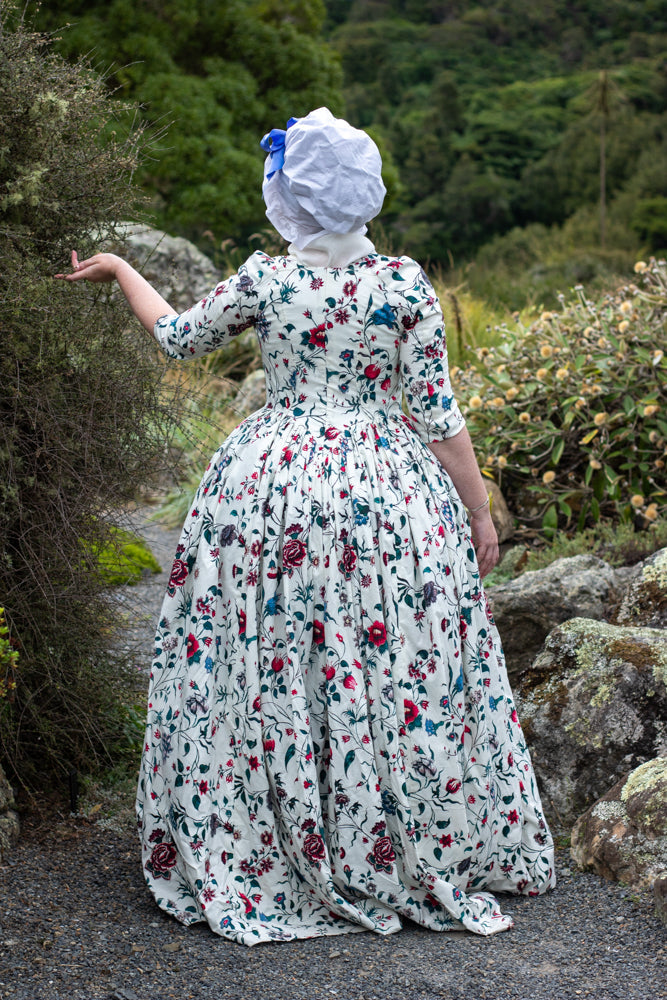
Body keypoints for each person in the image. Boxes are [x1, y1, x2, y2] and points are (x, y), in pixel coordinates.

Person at [56, 107, 554, 946]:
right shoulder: (402, 283)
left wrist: (119, 268)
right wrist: (475, 508)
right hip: (388, 494)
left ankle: (274, 844)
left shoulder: (268, 280)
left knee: (273, 657)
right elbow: (436, 414)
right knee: (390, 657)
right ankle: (397, 843)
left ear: (290, 195)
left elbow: (176, 338)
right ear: (363, 192)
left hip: (271, 487)